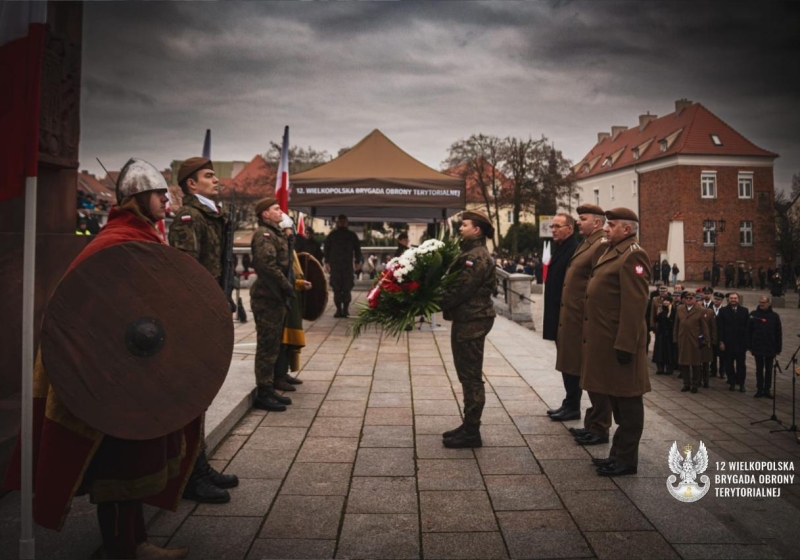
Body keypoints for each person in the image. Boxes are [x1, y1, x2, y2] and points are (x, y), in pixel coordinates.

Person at [5, 159, 196, 559]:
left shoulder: (138, 233)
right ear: (139, 198)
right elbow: (88, 312)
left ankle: (133, 541)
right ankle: (124, 547)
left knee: (130, 457)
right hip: (111, 372)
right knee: (119, 462)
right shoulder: (118, 240)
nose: (166, 198)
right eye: (159, 192)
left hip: (132, 369)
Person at [168, 157, 238, 505]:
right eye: (208, 176)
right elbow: (185, 270)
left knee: (203, 392)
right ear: (190, 185)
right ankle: (191, 474)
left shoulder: (213, 215)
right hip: (195, 315)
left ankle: (200, 463)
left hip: (211, 308)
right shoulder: (189, 217)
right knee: (195, 392)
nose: (216, 180)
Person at [581, 207, 651, 477]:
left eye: (612, 225)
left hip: (622, 344)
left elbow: (635, 306)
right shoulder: (613, 250)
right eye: (606, 225)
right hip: (607, 342)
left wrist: (625, 345)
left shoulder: (634, 254)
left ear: (627, 229)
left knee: (629, 405)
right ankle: (617, 454)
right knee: (616, 400)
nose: (606, 229)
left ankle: (627, 460)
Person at [554, 205, 611, 444]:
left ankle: (599, 426)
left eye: (583, 219)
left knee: (594, 375)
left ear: (597, 223)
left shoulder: (599, 245)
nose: (579, 222)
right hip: (576, 319)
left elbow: (598, 285)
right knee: (584, 373)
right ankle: (593, 424)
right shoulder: (587, 243)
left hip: (586, 321)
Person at [440, 210, 497, 448]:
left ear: (477, 230)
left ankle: (472, 432)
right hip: (467, 319)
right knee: (466, 374)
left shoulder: (477, 257)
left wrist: (432, 301)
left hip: (473, 320)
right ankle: (468, 423)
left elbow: (462, 289)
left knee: (471, 376)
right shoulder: (469, 252)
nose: (460, 228)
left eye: (464, 225)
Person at [250, 197, 295, 412]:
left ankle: (269, 386)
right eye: (276, 209)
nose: (281, 211)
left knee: (273, 344)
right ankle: (263, 391)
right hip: (267, 297)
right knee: (267, 346)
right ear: (265, 214)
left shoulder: (275, 233)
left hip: (275, 297)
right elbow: (266, 265)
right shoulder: (263, 234)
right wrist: (287, 286)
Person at [274, 213, 312, 392]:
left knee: (290, 338)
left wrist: (299, 283)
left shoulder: (291, 249)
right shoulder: (277, 248)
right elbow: (280, 274)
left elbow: (294, 272)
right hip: (281, 297)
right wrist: (296, 284)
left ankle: (285, 372)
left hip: (293, 296)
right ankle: (278, 376)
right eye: (288, 231)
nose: (291, 235)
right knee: (282, 339)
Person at [324, 214, 363, 317]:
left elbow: (357, 249)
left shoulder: (352, 235)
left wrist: (358, 261)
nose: (342, 222)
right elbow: (326, 249)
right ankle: (338, 310)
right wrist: (327, 262)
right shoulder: (332, 235)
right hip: (335, 266)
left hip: (347, 267)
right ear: (337, 222)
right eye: (340, 221)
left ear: (347, 222)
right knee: (336, 289)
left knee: (347, 288)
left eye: (343, 221)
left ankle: (345, 310)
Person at [673, 292, 711, 393]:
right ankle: (686, 384)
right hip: (683, 340)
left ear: (694, 299)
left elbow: (704, 327)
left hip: (695, 341)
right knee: (684, 363)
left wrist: (706, 340)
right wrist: (676, 338)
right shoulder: (680, 309)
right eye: (687, 298)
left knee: (695, 364)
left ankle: (695, 384)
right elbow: (677, 324)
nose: (689, 300)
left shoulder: (700, 310)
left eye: (691, 298)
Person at [748, 296, 782, 398]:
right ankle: (759, 389)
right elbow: (748, 331)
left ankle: (767, 389)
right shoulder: (754, 315)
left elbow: (778, 333)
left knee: (769, 369)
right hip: (758, 346)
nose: (761, 304)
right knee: (759, 369)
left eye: (764, 302)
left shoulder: (774, 316)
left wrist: (778, 348)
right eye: (760, 302)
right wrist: (749, 345)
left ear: (769, 303)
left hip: (770, 346)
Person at [718, 292, 749, 392]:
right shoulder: (723, 311)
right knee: (729, 364)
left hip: (740, 343)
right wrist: (721, 341)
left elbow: (747, 328)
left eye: (735, 298)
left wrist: (747, 343)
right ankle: (731, 382)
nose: (733, 300)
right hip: (728, 343)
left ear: (738, 299)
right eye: (731, 298)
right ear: (728, 300)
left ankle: (741, 384)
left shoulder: (744, 311)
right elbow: (720, 328)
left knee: (741, 365)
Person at [652, 288, 676, 375]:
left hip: (669, 334)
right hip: (661, 333)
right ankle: (660, 368)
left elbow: (672, 321)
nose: (665, 302)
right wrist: (658, 314)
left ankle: (669, 369)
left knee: (669, 352)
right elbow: (656, 319)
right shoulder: (661, 309)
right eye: (665, 301)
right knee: (659, 351)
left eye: (667, 301)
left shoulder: (673, 310)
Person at [710, 292, 726, 378]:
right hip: (711, 335)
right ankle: (713, 371)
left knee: (722, 356)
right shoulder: (709, 309)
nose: (716, 301)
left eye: (719, 299)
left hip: (721, 335)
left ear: (722, 301)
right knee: (713, 355)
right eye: (715, 299)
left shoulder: (724, 310)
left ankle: (722, 371)